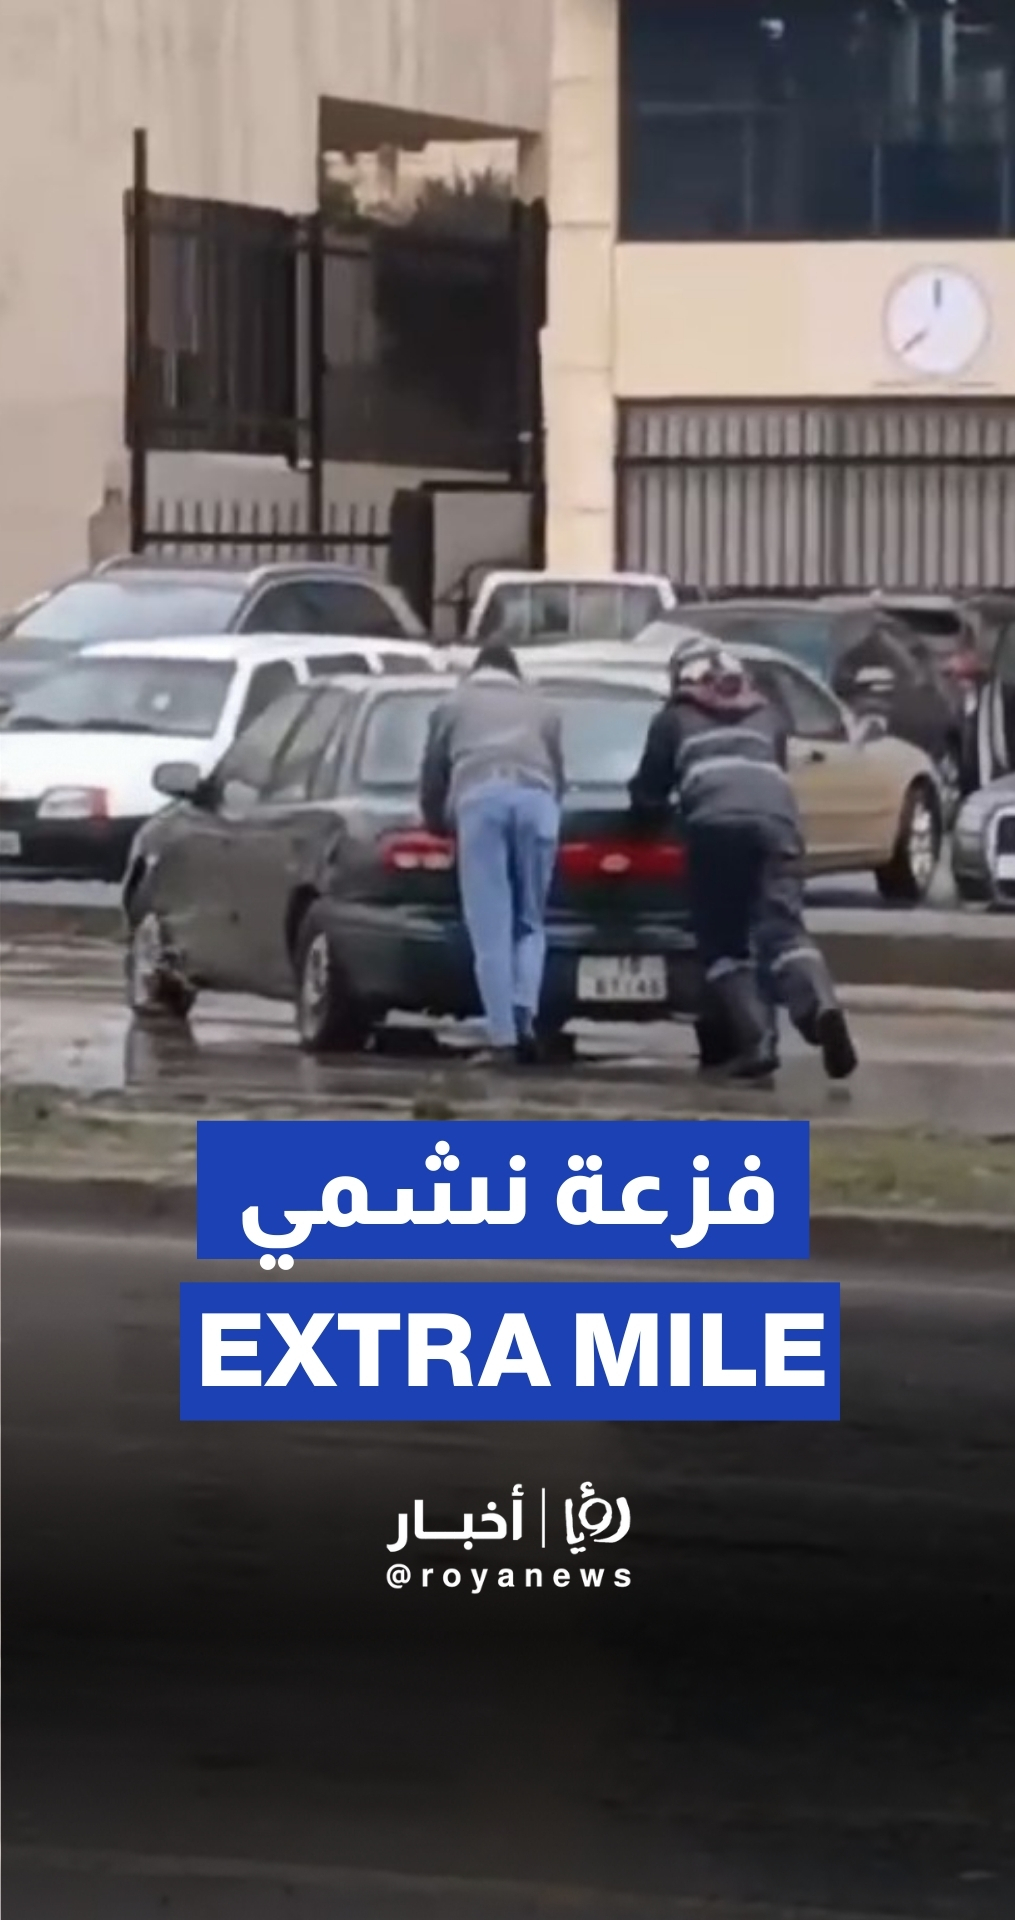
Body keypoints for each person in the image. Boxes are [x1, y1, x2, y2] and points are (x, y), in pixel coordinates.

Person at [629, 636, 857, 1082]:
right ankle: (821, 1007)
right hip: (779, 824)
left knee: (724, 941)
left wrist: (651, 818)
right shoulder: (768, 714)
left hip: (715, 828)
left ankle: (758, 1042)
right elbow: (771, 772)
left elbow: (648, 794)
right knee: (784, 929)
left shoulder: (673, 719)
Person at [420, 641, 565, 1066]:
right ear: (514, 673)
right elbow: (559, 773)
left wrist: (436, 823)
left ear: (476, 669)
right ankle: (525, 1017)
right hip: (538, 802)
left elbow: (433, 775)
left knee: (490, 928)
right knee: (531, 923)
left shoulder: (451, 705)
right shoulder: (543, 707)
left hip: (480, 801)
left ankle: (502, 1040)